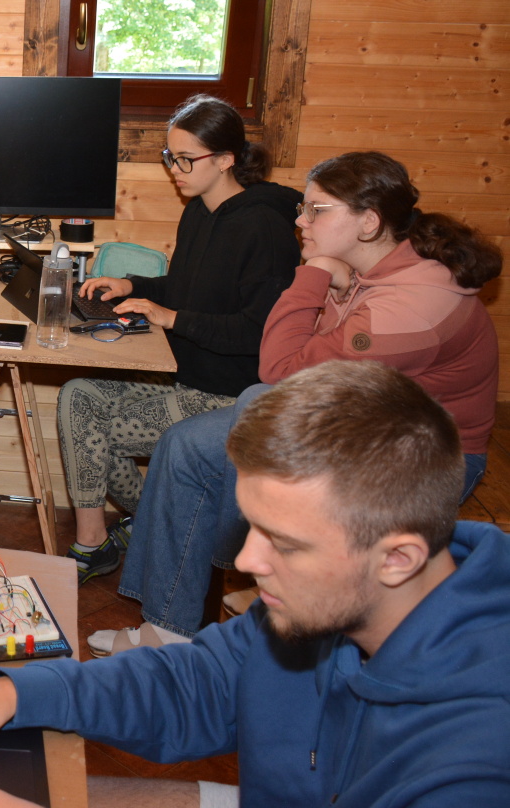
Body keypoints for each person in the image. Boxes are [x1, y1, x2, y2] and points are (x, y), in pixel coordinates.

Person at [0, 360, 510, 808]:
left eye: (284, 543)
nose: (247, 559)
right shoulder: (327, 603)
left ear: (396, 558)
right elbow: (193, 684)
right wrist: (16, 695)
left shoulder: (476, 760)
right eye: (253, 525)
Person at [107, 150, 500, 652]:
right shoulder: (374, 267)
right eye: (303, 208)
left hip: (424, 459)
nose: (300, 219)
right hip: (362, 423)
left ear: (368, 222)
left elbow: (281, 369)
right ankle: (167, 629)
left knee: (256, 402)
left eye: (317, 210)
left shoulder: (412, 307)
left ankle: (261, 596)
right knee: (185, 445)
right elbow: (315, 358)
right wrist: (334, 282)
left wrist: (314, 273)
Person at [58, 95, 299, 583]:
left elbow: (261, 331)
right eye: (170, 157)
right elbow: (189, 288)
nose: (175, 170)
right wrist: (133, 286)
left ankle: (145, 529)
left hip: (228, 396)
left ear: (227, 159)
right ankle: (98, 539)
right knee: (76, 396)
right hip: (182, 376)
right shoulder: (200, 212)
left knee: (93, 427)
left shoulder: (264, 227)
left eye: (186, 159)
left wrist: (169, 317)